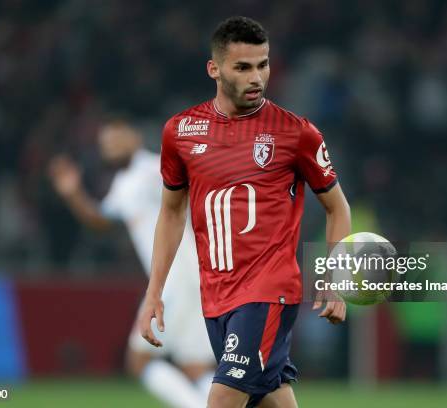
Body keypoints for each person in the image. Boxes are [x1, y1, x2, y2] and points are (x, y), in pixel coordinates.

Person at [139, 16, 351, 407]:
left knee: (221, 399)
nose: (257, 77)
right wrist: (155, 291)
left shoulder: (296, 133)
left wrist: (335, 278)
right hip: (216, 296)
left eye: (263, 64)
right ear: (214, 69)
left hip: (268, 292)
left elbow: (338, 208)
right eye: (243, 67)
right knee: (268, 398)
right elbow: (171, 213)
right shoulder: (181, 132)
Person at [49, 119, 214, 408]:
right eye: (106, 143)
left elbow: (192, 188)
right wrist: (74, 193)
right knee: (195, 366)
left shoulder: (152, 169)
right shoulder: (125, 183)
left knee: (138, 361)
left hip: (174, 278)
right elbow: (100, 221)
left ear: (135, 138)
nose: (111, 146)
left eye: (117, 139)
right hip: (189, 278)